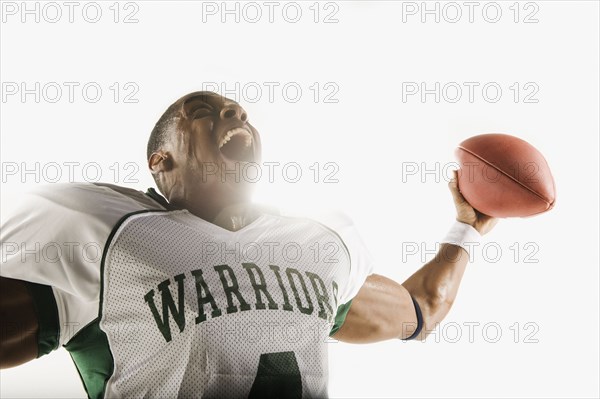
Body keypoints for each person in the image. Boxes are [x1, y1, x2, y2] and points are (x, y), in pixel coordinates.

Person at [0, 91, 497, 398]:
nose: (235, 112)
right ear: (160, 161)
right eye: (201, 110)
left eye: (238, 110)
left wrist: (466, 229)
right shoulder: (111, 238)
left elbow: (422, 309)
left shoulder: (314, 247)